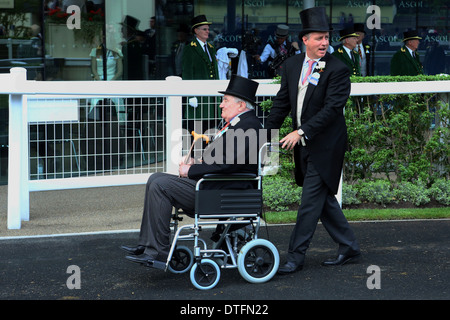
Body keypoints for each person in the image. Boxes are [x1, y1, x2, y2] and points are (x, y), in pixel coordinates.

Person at [121, 75, 263, 268]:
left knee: (160, 184)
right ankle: (148, 246)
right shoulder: (240, 125)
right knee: (155, 179)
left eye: (226, 100)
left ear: (240, 106)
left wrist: (192, 170)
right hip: (216, 186)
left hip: (222, 192)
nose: (221, 105)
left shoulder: (249, 126)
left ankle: (157, 252)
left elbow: (228, 166)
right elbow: (226, 161)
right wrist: (199, 161)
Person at [264, 7, 360, 274]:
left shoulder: (338, 69)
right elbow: (282, 103)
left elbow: (331, 110)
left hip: (326, 145)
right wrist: (264, 135)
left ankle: (295, 256)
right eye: (319, 38)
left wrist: (301, 132)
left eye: (326, 38)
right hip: (304, 144)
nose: (325, 42)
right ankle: (349, 246)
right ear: (304, 39)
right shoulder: (292, 65)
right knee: (323, 200)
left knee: (309, 202)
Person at [182, 15, 220, 134]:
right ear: (196, 31)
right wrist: (191, 95)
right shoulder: (190, 48)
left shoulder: (211, 47)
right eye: (204, 29)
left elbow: (215, 72)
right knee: (198, 130)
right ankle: (196, 152)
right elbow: (187, 73)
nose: (207, 31)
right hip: (199, 96)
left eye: (208, 29)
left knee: (212, 128)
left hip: (212, 96)